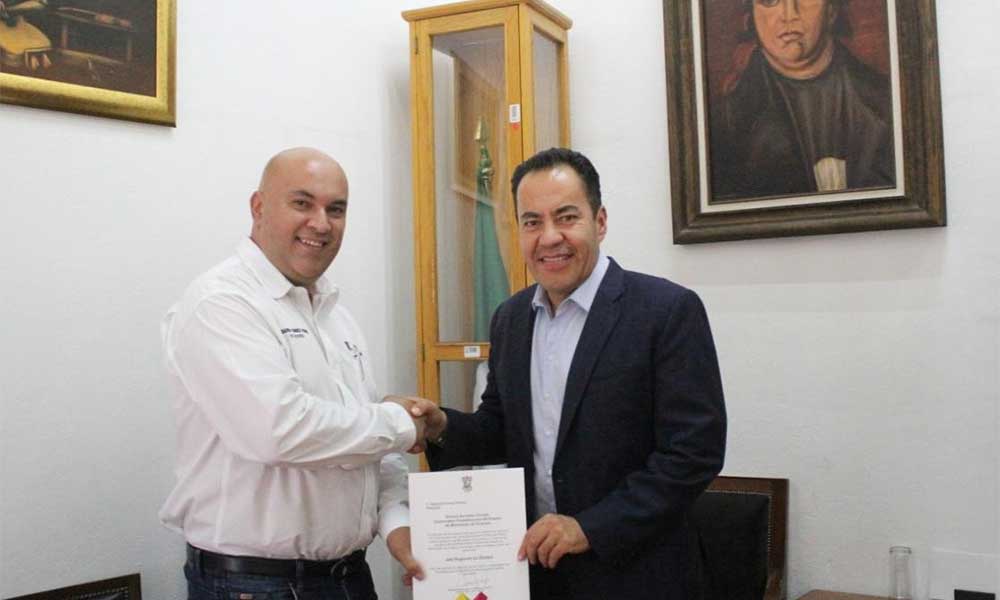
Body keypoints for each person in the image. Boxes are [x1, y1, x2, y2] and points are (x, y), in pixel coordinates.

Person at [412, 148, 727, 600]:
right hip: (538, 575)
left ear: (599, 221)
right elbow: (500, 428)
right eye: (532, 222)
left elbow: (693, 453)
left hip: (638, 575)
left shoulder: (666, 311)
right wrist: (440, 425)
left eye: (566, 217)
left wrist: (589, 528)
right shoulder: (510, 319)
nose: (549, 237)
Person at [160, 147, 426, 600]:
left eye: (336, 209)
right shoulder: (221, 303)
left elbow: (364, 442)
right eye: (302, 203)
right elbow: (279, 430)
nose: (321, 223)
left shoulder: (334, 315)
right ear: (258, 207)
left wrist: (398, 523)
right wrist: (403, 423)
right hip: (254, 585)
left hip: (347, 577)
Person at [710, 0, 895, 199]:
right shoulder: (726, 123)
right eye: (769, 1)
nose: (789, 14)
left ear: (832, 9)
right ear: (752, 15)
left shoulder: (887, 103)